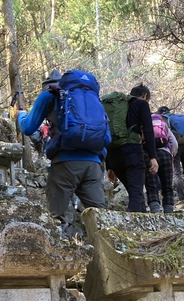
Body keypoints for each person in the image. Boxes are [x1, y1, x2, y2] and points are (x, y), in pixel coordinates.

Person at [14, 69, 111, 231]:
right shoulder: (90, 98)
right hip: (93, 164)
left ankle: (60, 252)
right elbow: (105, 135)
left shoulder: (50, 95)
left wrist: (20, 115)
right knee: (99, 219)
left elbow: (28, 127)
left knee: (55, 218)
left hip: (65, 163)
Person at [105, 84, 158, 212]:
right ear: (145, 96)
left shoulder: (116, 106)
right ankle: (131, 227)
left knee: (135, 191)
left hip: (113, 154)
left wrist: (109, 165)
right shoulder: (141, 104)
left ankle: (143, 221)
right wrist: (153, 157)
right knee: (135, 192)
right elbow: (148, 131)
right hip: (132, 153)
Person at [159, 106, 184, 204]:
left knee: (176, 172)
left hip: (175, 147)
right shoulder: (179, 117)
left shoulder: (164, 119)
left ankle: (183, 197)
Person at [144, 113, 178, 213]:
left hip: (150, 156)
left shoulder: (145, 126)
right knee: (167, 184)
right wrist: (171, 154)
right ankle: (168, 210)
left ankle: (155, 209)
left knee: (151, 183)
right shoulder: (164, 126)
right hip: (165, 155)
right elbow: (174, 143)